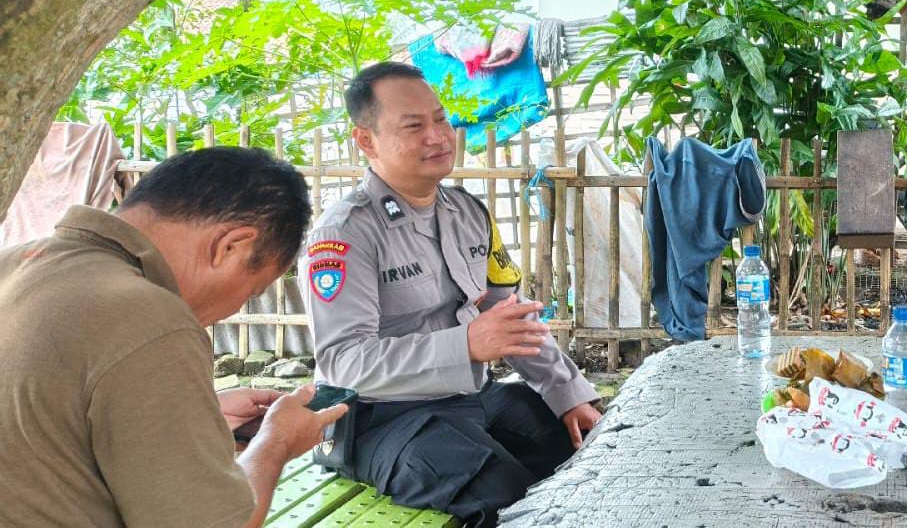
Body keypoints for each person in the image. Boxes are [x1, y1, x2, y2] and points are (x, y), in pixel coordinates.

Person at [304, 62, 601, 526]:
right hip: (380, 421)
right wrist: (465, 344)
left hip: (468, 397)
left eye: (440, 119)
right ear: (366, 140)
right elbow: (344, 365)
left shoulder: (467, 212)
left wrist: (569, 393)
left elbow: (508, 316)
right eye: (413, 126)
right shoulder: (345, 234)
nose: (437, 136)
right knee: (505, 496)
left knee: (587, 449)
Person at [0, 147, 347, 526]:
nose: (233, 309)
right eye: (252, 290)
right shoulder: (150, 318)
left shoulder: (15, 264)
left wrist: (197, 414)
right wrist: (275, 443)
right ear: (230, 246)